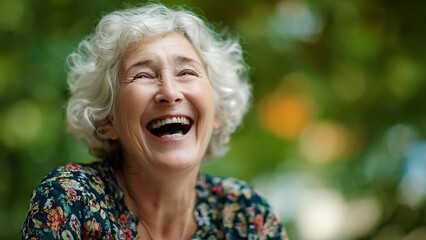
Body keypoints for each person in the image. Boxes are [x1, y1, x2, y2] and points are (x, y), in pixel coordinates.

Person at [22, 3, 288, 240]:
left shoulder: (247, 214)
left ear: (217, 111)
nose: (170, 93)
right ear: (108, 120)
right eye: (143, 76)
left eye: (186, 72)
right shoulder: (70, 199)